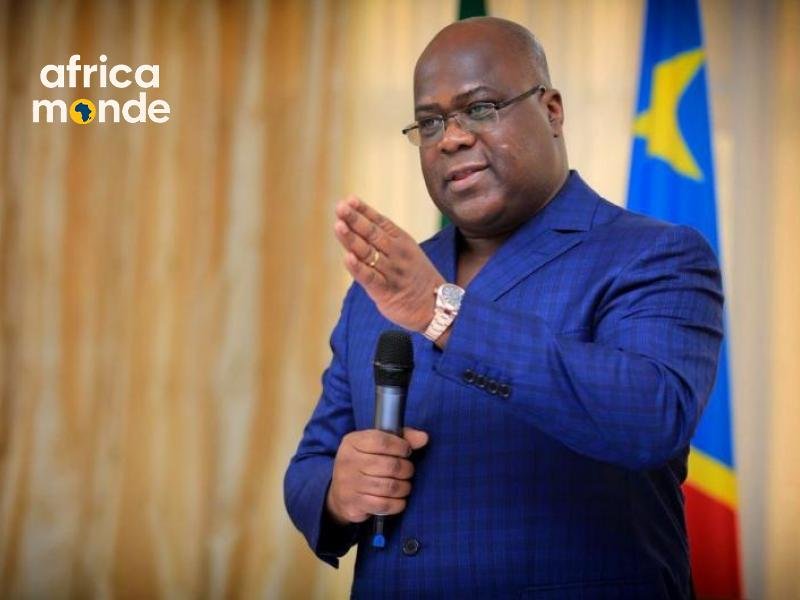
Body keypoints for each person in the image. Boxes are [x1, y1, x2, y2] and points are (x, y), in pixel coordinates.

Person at [284, 16, 723, 599]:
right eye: (430, 122)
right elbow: (311, 464)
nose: (451, 138)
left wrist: (444, 313)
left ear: (552, 111)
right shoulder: (386, 280)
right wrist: (339, 492)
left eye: (480, 108)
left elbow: (651, 417)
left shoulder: (653, 254)